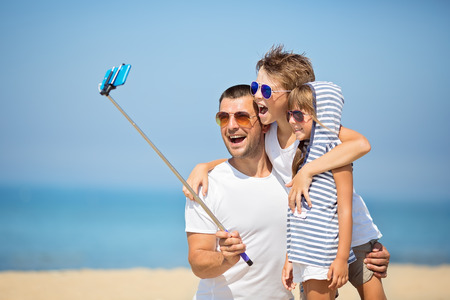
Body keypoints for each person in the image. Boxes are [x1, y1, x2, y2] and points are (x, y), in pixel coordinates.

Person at [183, 45, 390, 284]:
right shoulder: (269, 131)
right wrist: (205, 165)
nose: (258, 95)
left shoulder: (313, 131)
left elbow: (361, 144)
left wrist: (308, 170)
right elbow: (248, 156)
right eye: (255, 87)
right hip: (317, 239)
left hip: (356, 235)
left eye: (266, 90)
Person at [185, 84, 294, 299]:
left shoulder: (291, 177)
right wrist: (224, 259)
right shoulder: (207, 184)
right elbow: (197, 262)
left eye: (242, 117)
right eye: (223, 118)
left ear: (264, 124)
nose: (231, 126)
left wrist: (369, 250)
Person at [282, 82, 386, 299]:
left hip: (325, 252)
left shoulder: (338, 156)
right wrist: (290, 258)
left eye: (299, 115)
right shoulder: (302, 156)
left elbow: (344, 210)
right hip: (308, 251)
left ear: (322, 115)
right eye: (289, 114)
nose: (292, 120)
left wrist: (340, 259)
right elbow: (297, 214)